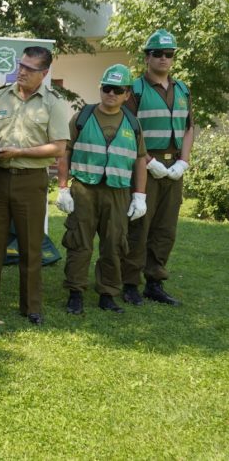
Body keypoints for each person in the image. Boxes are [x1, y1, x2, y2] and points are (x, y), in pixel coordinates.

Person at [0, 46, 70, 325]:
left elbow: (59, 148)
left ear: (44, 73)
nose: (22, 71)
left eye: (30, 68)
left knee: (30, 245)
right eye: (20, 65)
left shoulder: (53, 103)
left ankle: (31, 307)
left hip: (31, 181)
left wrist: (19, 152)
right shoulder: (1, 95)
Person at [56, 65, 148, 315]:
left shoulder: (133, 123)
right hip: (84, 189)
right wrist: (63, 187)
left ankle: (108, 294)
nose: (111, 93)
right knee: (79, 242)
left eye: (118, 90)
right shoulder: (82, 117)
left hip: (118, 193)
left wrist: (140, 195)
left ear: (127, 94)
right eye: (107, 88)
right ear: (101, 89)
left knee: (114, 244)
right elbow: (65, 151)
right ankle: (75, 292)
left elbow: (141, 159)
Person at [120, 29, 193, 307]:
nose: (164, 59)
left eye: (169, 54)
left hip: (174, 165)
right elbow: (128, 128)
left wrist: (184, 161)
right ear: (147, 57)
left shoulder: (183, 89)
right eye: (158, 54)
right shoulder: (135, 90)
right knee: (139, 224)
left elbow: (189, 128)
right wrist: (148, 161)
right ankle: (129, 282)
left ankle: (154, 281)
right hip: (143, 164)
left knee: (165, 226)